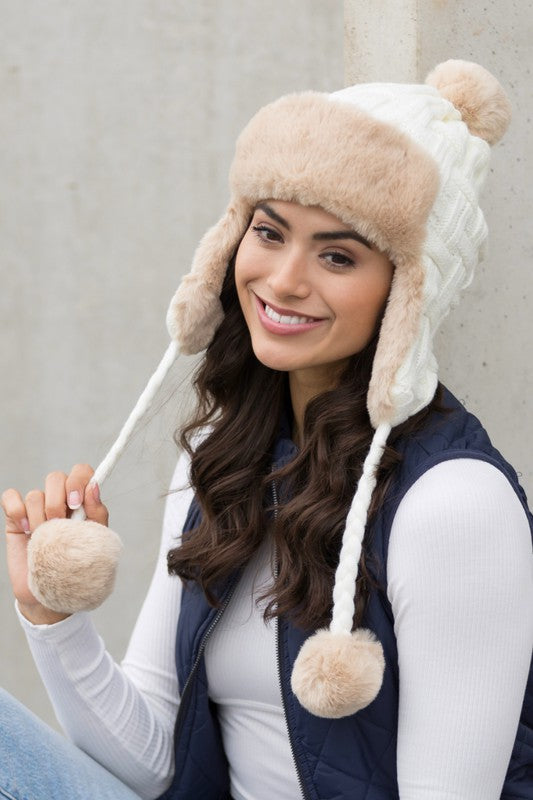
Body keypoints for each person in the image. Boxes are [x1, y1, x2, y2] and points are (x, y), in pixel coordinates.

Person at [1, 59, 532, 800]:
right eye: (269, 231)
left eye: (338, 254)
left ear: (408, 291)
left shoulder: (452, 506)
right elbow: (153, 762)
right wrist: (50, 617)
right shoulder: (222, 465)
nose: (283, 280)